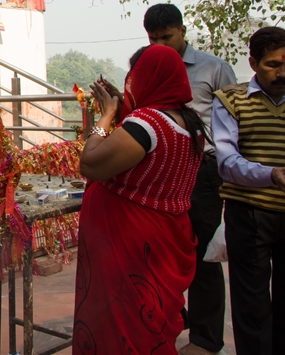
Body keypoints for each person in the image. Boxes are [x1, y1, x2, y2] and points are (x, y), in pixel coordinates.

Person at [74, 44, 206, 354]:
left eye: (132, 77)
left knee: (120, 325)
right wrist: (123, 111)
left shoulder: (147, 124)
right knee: (146, 323)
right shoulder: (188, 122)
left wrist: (106, 116)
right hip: (158, 242)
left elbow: (90, 162)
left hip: (129, 246)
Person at [211, 27, 285, 354]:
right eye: (273, 65)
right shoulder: (230, 100)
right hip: (250, 215)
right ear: (253, 63)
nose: (283, 73)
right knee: (252, 307)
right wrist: (271, 175)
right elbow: (227, 161)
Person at [142, 4, 237, 355]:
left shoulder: (214, 69)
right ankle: (173, 320)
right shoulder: (150, 66)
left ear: (183, 31)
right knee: (164, 249)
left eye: (166, 37)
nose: (161, 46)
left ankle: (206, 339)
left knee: (202, 253)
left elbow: (233, 123)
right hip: (164, 168)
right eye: (153, 39)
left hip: (205, 168)